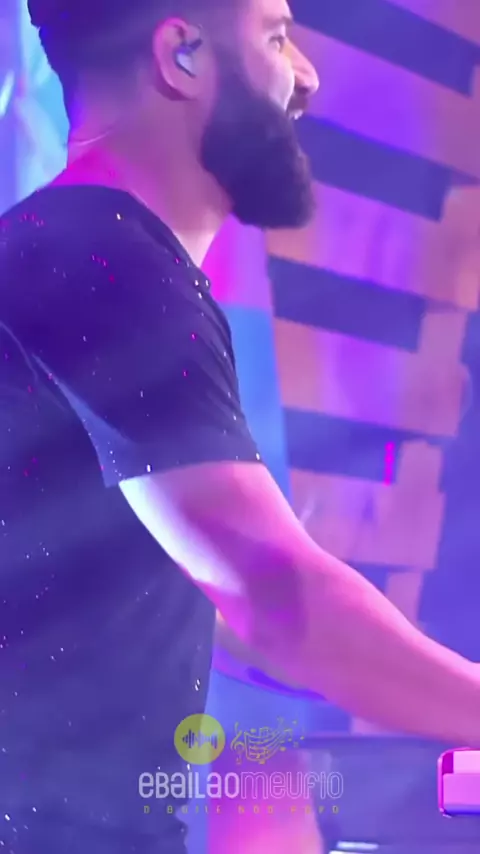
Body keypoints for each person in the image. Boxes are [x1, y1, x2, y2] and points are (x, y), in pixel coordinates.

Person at [0, 0, 479, 851]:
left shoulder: (77, 247)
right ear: (181, 54)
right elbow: (277, 599)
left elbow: (176, 598)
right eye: (277, 38)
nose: (308, 77)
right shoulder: (106, 259)